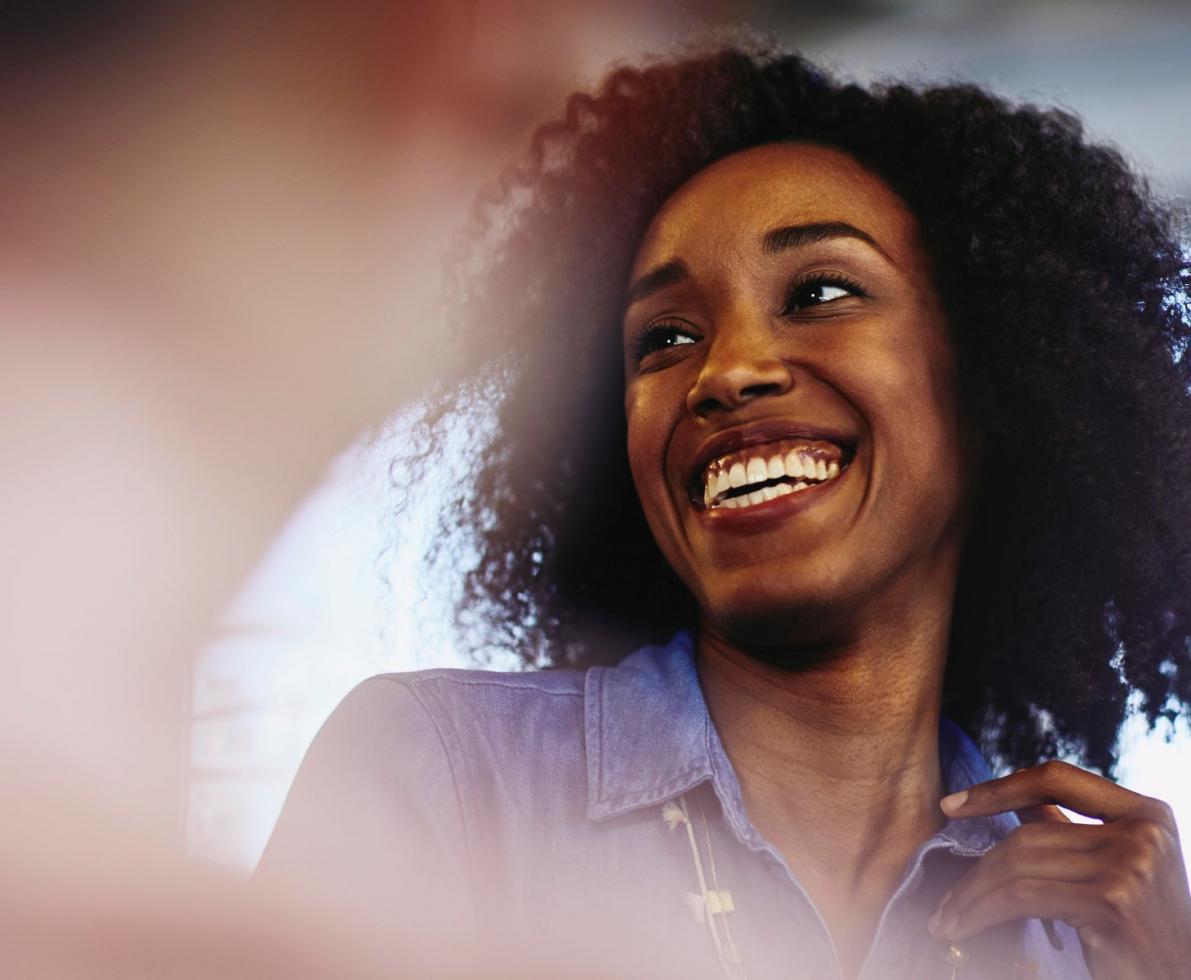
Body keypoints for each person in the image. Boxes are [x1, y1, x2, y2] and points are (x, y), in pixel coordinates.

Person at [259, 43, 1191, 979]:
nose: (727, 371)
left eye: (820, 293)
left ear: (993, 380)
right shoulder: (444, 778)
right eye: (663, 339)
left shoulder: (1077, 935)